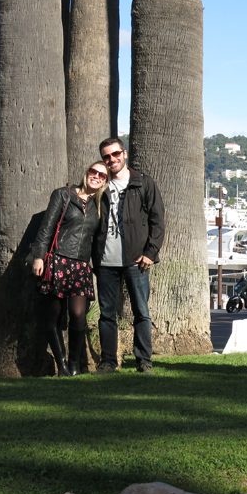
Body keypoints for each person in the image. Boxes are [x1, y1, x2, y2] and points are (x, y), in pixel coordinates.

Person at [94, 137, 165, 373]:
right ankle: (108, 362)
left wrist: (150, 253)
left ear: (124, 154)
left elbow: (158, 221)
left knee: (141, 312)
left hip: (136, 261)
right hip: (105, 261)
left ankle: (144, 361)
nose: (112, 159)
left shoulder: (143, 183)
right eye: (107, 156)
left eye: (115, 154)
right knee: (107, 314)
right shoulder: (100, 186)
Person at [31, 161, 108, 376]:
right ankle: (62, 363)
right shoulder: (63, 195)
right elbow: (46, 227)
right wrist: (39, 257)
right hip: (58, 261)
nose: (96, 176)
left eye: (102, 176)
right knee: (53, 315)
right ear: (86, 173)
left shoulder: (99, 205)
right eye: (94, 172)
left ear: (105, 181)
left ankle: (74, 363)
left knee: (77, 314)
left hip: (81, 266)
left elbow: (97, 240)